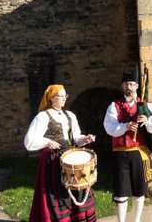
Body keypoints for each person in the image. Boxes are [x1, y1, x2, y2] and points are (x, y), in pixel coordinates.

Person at [25, 84, 97, 222]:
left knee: (77, 189)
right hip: (53, 161)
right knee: (57, 194)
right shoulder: (42, 117)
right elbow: (29, 141)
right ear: (51, 98)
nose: (64, 99)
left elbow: (75, 137)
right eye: (61, 96)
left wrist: (85, 139)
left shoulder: (70, 115)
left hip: (70, 157)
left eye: (65, 96)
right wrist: (47, 142)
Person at [103, 66, 152, 222]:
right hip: (120, 152)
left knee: (139, 189)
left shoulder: (145, 105)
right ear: (122, 87)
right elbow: (109, 128)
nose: (128, 87)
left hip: (139, 152)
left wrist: (147, 120)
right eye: (125, 85)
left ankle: (136, 220)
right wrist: (125, 126)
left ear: (137, 86)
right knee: (121, 190)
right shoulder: (114, 106)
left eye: (131, 84)